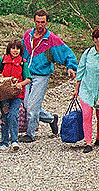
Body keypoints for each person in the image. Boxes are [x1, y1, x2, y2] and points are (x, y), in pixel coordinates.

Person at [20, 9, 78, 142]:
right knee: (26, 105)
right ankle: (51, 118)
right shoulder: (27, 35)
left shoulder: (51, 39)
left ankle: (30, 134)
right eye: (37, 22)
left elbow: (66, 52)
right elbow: (20, 51)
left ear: (47, 22)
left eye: (43, 22)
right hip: (26, 75)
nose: (40, 25)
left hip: (41, 75)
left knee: (32, 107)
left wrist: (70, 67)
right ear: (34, 21)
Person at [0, 39, 32, 151]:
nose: (15, 51)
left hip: (17, 95)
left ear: (20, 50)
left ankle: (14, 140)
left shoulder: (23, 62)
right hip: (4, 94)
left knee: (13, 114)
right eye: (13, 48)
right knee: (4, 116)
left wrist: (20, 84)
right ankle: (4, 142)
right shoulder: (2, 60)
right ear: (9, 49)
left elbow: (27, 79)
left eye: (17, 48)